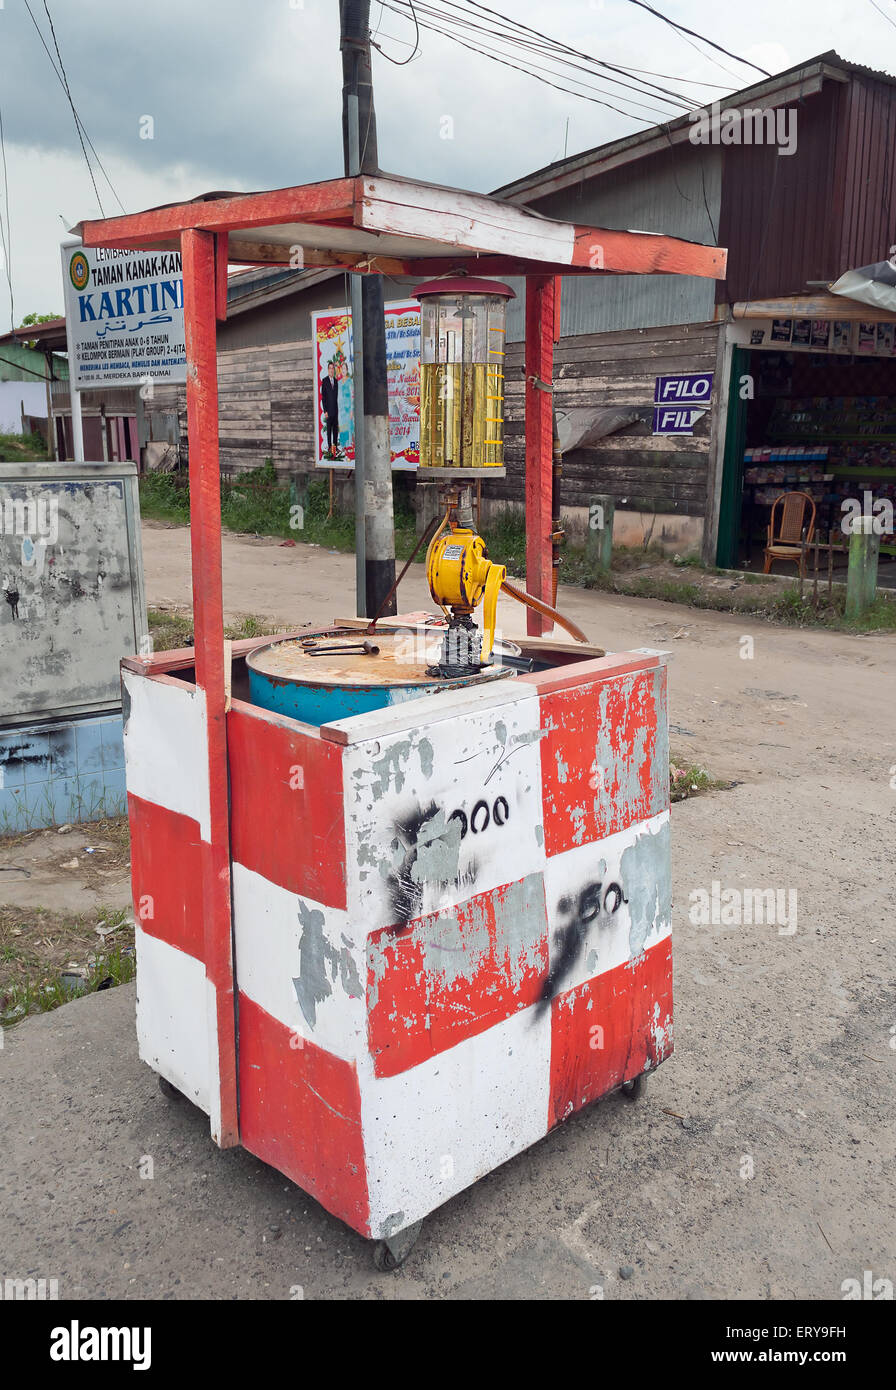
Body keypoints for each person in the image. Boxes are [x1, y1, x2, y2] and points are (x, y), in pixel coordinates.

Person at [320, 361, 339, 454]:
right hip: (328, 411)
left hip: (335, 410)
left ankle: (334, 449)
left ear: (334, 370)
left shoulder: (336, 381)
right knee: (329, 431)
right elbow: (323, 397)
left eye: (333, 368)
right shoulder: (325, 381)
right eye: (330, 368)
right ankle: (329, 447)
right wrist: (325, 411)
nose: (331, 370)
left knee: (335, 431)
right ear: (328, 370)